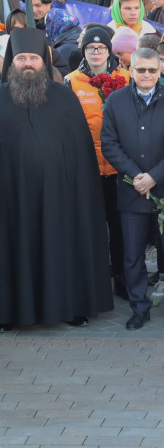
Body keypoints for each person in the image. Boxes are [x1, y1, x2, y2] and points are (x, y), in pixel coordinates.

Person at [0, 27, 113, 331]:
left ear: (44, 62)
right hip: (11, 198)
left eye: (33, 58)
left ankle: (70, 305)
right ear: (12, 61)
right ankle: (9, 311)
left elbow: (80, 155)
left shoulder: (65, 99)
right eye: (21, 57)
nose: (27, 64)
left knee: (62, 245)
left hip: (60, 197)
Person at [100, 48, 164, 332]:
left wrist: (153, 177)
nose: (147, 75)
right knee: (132, 254)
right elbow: (109, 143)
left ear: (159, 71)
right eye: (141, 70)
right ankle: (139, 307)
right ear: (131, 70)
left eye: (152, 70)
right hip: (131, 190)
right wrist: (136, 175)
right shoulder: (115, 101)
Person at [64, 26, 131, 299]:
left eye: (100, 48)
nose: (95, 52)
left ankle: (123, 278)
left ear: (108, 50)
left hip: (118, 168)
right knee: (90, 228)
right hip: (87, 168)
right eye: (90, 48)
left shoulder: (126, 77)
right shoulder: (71, 81)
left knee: (120, 228)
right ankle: (95, 279)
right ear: (83, 51)